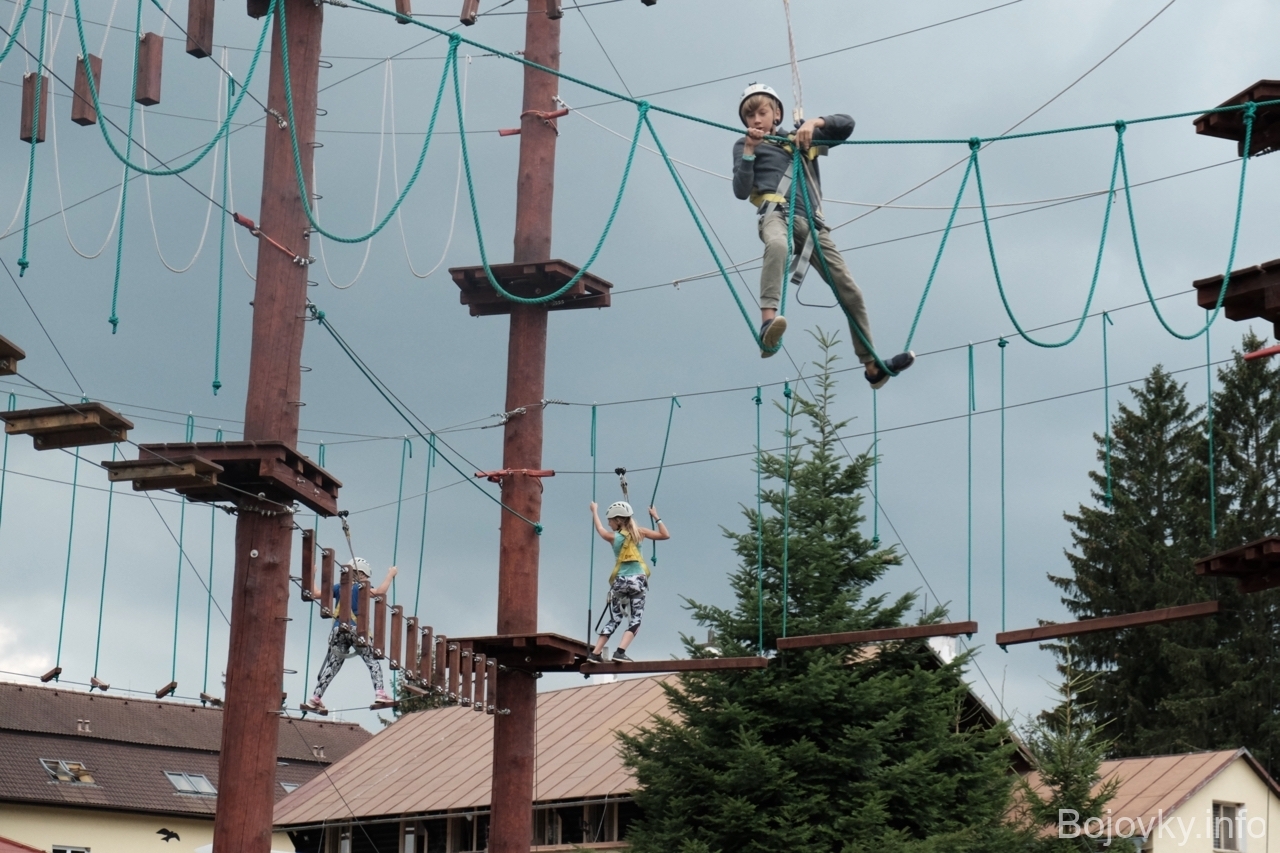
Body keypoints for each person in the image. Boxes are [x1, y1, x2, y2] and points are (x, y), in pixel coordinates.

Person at [732, 83, 916, 388]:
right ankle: (767, 324)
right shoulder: (744, 144)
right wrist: (750, 151)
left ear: (776, 114)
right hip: (776, 215)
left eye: (762, 112)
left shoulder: (801, 139)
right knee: (778, 245)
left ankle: (872, 367)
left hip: (813, 225)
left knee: (850, 289)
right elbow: (740, 190)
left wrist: (813, 123)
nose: (756, 120)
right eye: (749, 116)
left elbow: (847, 125)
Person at [305, 557, 397, 712]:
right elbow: (380, 592)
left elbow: (315, 593)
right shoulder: (361, 587)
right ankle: (380, 692)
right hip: (356, 630)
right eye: (365, 576)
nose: (366, 579)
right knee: (372, 661)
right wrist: (391, 574)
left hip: (337, 631)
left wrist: (312, 574)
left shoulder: (338, 587)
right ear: (360, 573)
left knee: (332, 666)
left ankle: (316, 697)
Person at [588, 501, 669, 663]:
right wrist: (656, 516)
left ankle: (595, 653)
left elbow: (599, 529)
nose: (609, 524)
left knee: (615, 618)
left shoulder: (613, 537)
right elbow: (665, 535)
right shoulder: (640, 533)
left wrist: (594, 511)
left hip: (620, 582)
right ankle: (620, 652)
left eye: (610, 520)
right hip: (637, 581)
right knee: (635, 619)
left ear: (617, 520)